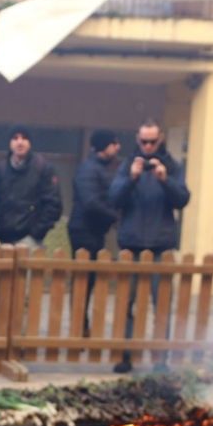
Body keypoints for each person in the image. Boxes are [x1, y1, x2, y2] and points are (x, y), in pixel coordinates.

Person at [107, 118, 191, 373]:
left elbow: (183, 199)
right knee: (126, 304)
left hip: (160, 246)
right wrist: (131, 178)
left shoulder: (172, 166)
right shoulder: (127, 166)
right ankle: (125, 357)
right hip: (131, 245)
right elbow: (113, 198)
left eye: (153, 141)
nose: (148, 146)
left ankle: (161, 360)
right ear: (137, 139)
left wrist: (165, 180)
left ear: (160, 139)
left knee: (162, 304)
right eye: (144, 141)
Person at [68, 129, 121, 332]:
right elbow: (91, 202)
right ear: (104, 146)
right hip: (84, 230)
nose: (117, 147)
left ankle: (82, 326)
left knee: (88, 279)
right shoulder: (89, 169)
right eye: (114, 143)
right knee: (83, 279)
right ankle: (79, 327)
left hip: (94, 230)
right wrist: (115, 217)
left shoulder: (102, 168)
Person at [0, 125, 62, 248]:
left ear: (30, 143)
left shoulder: (43, 168)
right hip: (3, 240)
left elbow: (54, 205)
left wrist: (35, 234)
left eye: (24, 138)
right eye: (15, 138)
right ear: (10, 143)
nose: (20, 142)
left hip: (32, 241)